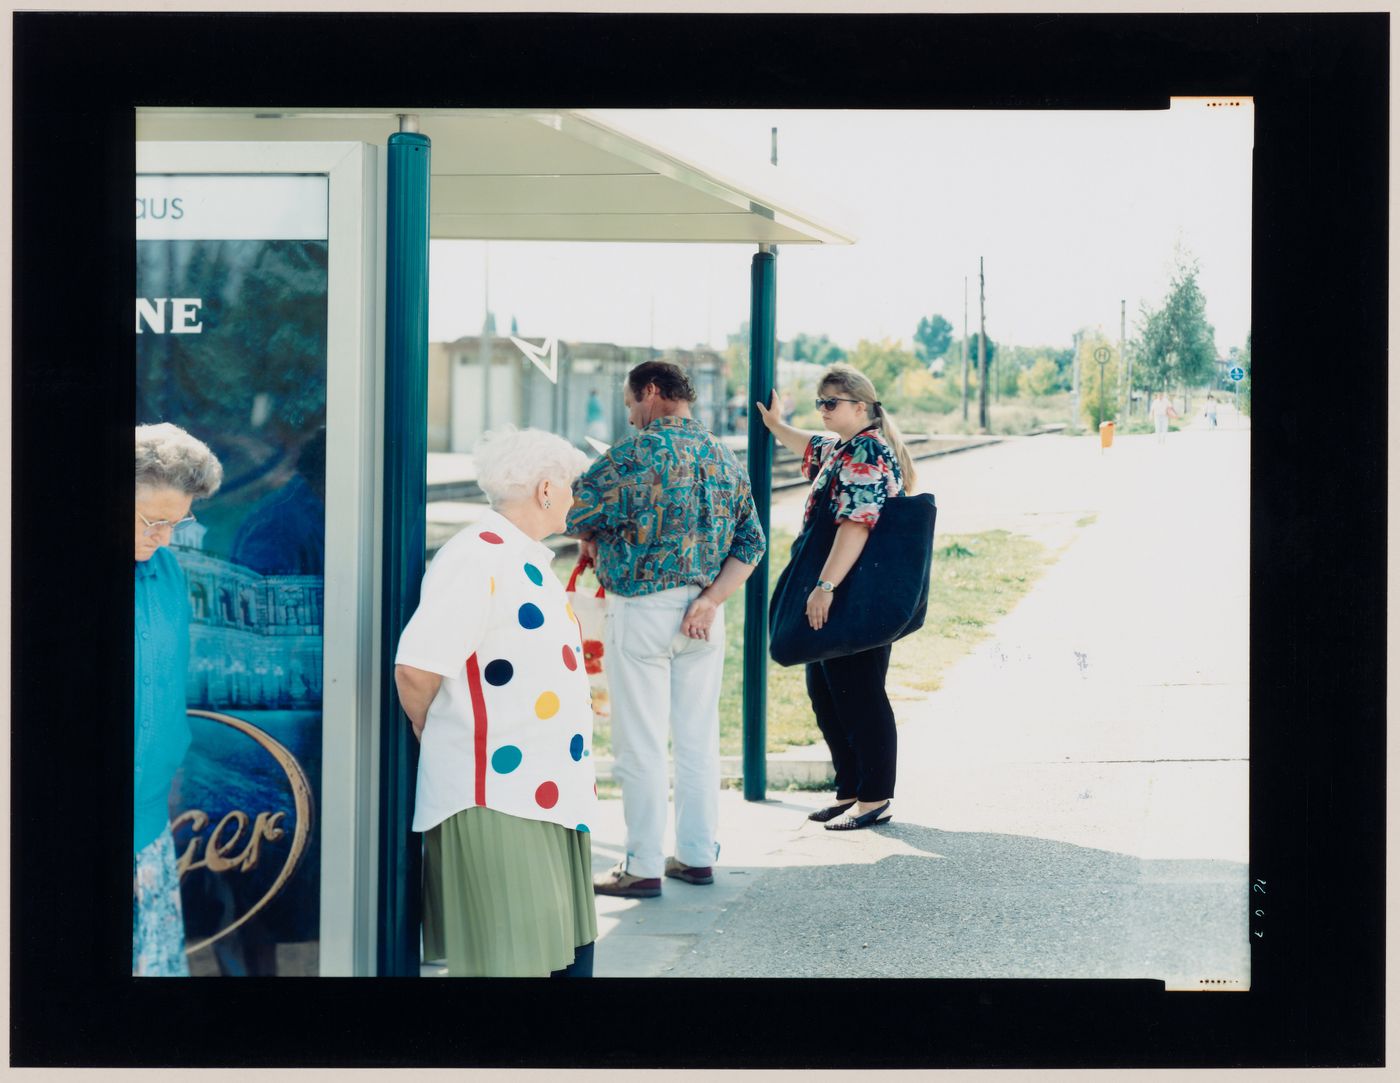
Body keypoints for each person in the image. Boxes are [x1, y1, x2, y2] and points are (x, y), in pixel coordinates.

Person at [395, 427, 598, 977]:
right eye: (574, 486)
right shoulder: (477, 557)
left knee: (556, 959)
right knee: (513, 961)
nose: (578, 498)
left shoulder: (516, 555)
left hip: (545, 789)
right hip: (500, 792)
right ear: (547, 489)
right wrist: (437, 733)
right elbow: (416, 668)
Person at [569, 360, 766, 898]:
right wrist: (710, 600)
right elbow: (752, 544)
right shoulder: (725, 456)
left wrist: (592, 535)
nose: (631, 416)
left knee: (641, 742)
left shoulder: (631, 454)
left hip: (643, 611)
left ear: (652, 392)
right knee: (699, 739)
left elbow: (572, 511)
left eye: (632, 403)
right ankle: (697, 857)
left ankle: (642, 865)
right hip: (704, 616)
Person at [755, 363, 916, 831]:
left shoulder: (866, 452)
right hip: (843, 587)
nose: (822, 411)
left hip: (852, 589)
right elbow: (806, 444)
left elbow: (855, 525)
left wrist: (824, 587)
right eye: (819, 403)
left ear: (860, 407)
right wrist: (775, 425)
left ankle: (874, 797)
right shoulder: (842, 448)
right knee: (827, 692)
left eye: (831, 403)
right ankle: (850, 790)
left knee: (860, 693)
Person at [134, 422, 224, 976]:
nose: (164, 536)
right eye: (152, 520)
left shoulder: (166, 570)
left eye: (178, 521)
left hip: (148, 822)